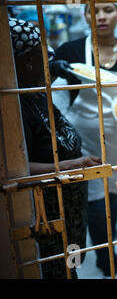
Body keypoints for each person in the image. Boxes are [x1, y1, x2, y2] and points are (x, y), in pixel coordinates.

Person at [52, 0, 117, 278]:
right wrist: (57, 72)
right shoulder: (71, 51)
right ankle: (106, 258)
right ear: (85, 15)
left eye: (108, 10)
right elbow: (53, 91)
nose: (101, 16)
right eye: (94, 10)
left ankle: (108, 249)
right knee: (95, 197)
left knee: (115, 191)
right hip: (85, 138)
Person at [8, 18, 102, 279]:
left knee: (70, 267)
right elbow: (14, 167)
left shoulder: (34, 91)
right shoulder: (14, 109)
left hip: (69, 205)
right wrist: (66, 165)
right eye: (43, 57)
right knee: (53, 269)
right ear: (26, 61)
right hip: (46, 211)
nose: (48, 63)